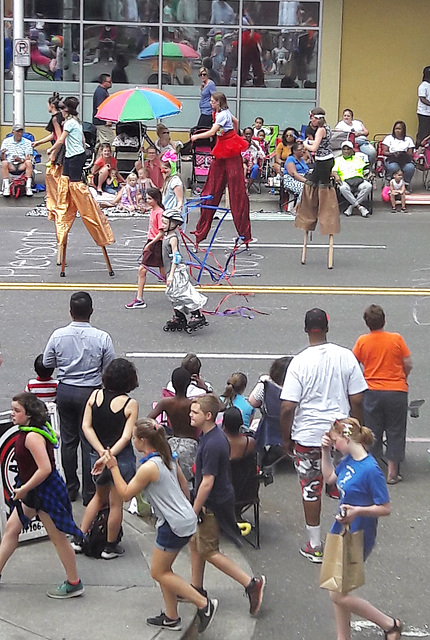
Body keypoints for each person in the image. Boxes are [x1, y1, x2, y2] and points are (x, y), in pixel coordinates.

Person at [98, 418, 218, 633]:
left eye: (134, 438)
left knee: (158, 572)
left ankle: (202, 603)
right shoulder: (168, 457)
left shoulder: (149, 467)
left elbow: (125, 494)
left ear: (143, 440)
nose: (133, 441)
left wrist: (113, 467)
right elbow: (183, 484)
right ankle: (172, 617)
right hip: (183, 518)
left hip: (171, 525)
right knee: (165, 570)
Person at [280, 308, 367, 562]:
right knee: (347, 486)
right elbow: (358, 399)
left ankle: (315, 545)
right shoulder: (345, 357)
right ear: (327, 327)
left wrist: (286, 438)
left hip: (307, 438)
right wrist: (357, 431)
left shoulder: (299, 362)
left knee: (311, 489)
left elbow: (287, 407)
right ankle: (347, 539)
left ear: (306, 330)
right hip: (341, 436)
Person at [321, 417, 402, 640]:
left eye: (335, 440)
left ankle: (389, 623)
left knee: (337, 594)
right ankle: (343, 636)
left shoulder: (370, 470)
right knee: (339, 588)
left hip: (359, 533)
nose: (333, 443)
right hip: (342, 530)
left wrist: (357, 511)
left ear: (347, 439)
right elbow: (329, 477)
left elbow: (385, 508)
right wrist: (325, 451)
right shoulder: (348, 461)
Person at [0, 393, 84, 599]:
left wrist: (24, 488)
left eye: (17, 411)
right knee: (12, 529)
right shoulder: (34, 431)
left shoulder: (32, 437)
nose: (13, 414)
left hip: (44, 492)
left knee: (58, 538)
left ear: (28, 415)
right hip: (34, 490)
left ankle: (74, 582)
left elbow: (44, 468)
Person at [189, 394, 266, 616]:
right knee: (196, 543)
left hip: (212, 504)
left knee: (209, 550)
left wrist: (194, 509)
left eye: (195, 412)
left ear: (208, 416)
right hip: (216, 499)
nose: (190, 415)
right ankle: (196, 587)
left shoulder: (212, 443)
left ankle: (251, 583)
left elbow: (207, 482)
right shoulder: (212, 436)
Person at [43, 291, 115, 505]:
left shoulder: (58, 335)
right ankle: (89, 492)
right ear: (91, 311)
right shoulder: (102, 337)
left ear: (70, 312)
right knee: (88, 442)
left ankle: (70, 487)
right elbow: (109, 368)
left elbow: (48, 362)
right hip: (90, 393)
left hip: (65, 391)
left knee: (68, 440)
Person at [73, 358, 138, 559]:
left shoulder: (95, 396)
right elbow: (126, 436)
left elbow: (86, 427)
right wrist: (109, 456)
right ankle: (110, 546)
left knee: (98, 497)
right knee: (116, 503)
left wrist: (101, 453)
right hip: (121, 459)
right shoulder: (130, 404)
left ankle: (79, 537)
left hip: (96, 456)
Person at [352, 304, 412, 485]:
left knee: (372, 431)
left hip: (372, 391)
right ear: (384, 320)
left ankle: (373, 470)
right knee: (395, 431)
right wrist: (402, 377)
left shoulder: (363, 341)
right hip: (396, 390)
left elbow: (353, 365)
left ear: (367, 323)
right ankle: (392, 473)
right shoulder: (396, 339)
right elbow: (407, 362)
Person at [190, 92, 251, 246]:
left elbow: (212, 132)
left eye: (212, 101)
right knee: (211, 189)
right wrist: (235, 134)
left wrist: (196, 137)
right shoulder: (221, 113)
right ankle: (201, 231)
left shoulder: (221, 115)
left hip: (228, 149)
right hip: (223, 147)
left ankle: (244, 233)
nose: (210, 103)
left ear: (218, 102)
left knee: (236, 192)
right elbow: (235, 121)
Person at [295, 107, 340, 243]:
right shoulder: (326, 128)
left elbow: (314, 148)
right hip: (324, 160)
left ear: (317, 118)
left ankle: (318, 212)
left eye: (312, 118)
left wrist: (304, 144)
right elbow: (317, 143)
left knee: (320, 187)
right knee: (312, 183)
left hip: (324, 161)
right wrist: (310, 142)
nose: (311, 121)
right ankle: (307, 211)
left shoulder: (321, 130)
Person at [148, 366, 198, 483]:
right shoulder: (193, 404)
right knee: (188, 481)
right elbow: (220, 406)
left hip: (172, 443)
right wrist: (204, 387)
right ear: (189, 384)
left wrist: (158, 429)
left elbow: (149, 419)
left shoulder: (166, 403)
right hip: (191, 445)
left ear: (173, 385)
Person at [162, 209, 208, 332]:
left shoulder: (173, 238)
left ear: (173, 224)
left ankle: (197, 315)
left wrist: (171, 274)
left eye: (165, 223)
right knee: (173, 294)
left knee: (181, 293)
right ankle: (179, 316)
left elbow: (176, 257)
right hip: (170, 270)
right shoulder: (166, 235)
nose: (162, 225)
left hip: (177, 271)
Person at [125, 187, 165, 309]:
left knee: (143, 270)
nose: (147, 201)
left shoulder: (159, 212)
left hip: (156, 243)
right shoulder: (153, 210)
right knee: (162, 272)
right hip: (152, 242)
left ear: (156, 199)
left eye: (149, 198)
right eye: (146, 198)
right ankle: (175, 291)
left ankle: (139, 299)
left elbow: (161, 232)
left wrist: (150, 244)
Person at [249, 356, 292, 467]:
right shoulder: (297, 389)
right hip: (293, 426)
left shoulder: (266, 385)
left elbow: (253, 401)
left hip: (271, 426)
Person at [32, 92, 65, 216]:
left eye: (47, 104)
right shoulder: (61, 115)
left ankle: (57, 199)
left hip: (60, 148)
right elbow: (55, 135)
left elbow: (59, 137)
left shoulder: (56, 118)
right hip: (61, 147)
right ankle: (58, 197)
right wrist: (39, 142)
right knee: (58, 174)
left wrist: (53, 152)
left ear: (51, 105)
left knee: (54, 174)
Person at [48, 97, 85, 183]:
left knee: (74, 182)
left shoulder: (69, 123)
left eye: (62, 109)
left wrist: (51, 149)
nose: (61, 111)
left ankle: (79, 196)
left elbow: (61, 140)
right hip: (72, 155)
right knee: (65, 179)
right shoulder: (77, 121)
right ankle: (66, 196)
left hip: (75, 155)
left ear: (66, 110)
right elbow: (83, 139)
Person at [332, 141, 372, 217]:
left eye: (348, 149)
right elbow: (334, 171)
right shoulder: (338, 159)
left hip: (359, 179)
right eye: (344, 149)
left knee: (368, 186)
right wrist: (336, 176)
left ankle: (351, 207)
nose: (346, 151)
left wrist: (369, 174)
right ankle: (360, 208)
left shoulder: (357, 159)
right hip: (345, 180)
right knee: (343, 188)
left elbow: (365, 169)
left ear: (352, 150)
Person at [1, 124, 34, 197]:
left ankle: (28, 187)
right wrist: (2, 154)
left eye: (21, 132)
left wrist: (20, 160)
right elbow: (2, 158)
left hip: (22, 164)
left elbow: (28, 157)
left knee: (28, 162)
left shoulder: (27, 142)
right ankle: (6, 187)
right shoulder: (6, 142)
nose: (20, 134)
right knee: (4, 163)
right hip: (10, 164)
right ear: (13, 132)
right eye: (18, 132)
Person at [381, 121, 415, 189]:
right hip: (392, 158)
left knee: (410, 167)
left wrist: (402, 153)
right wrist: (393, 153)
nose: (397, 131)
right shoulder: (389, 138)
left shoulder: (408, 139)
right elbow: (384, 152)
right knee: (394, 167)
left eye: (399, 129)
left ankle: (405, 185)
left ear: (403, 130)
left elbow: (410, 154)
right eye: (396, 129)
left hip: (405, 159)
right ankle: (390, 183)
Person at [283, 141, 310, 205]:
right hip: (291, 180)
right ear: (294, 151)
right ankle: (296, 208)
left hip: (302, 178)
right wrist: (306, 181)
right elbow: (293, 174)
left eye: (303, 149)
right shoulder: (290, 159)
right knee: (305, 188)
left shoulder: (302, 160)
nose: (302, 151)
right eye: (300, 150)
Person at [92, 74, 114, 149]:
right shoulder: (101, 92)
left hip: (98, 121)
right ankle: (105, 158)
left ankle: (97, 158)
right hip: (101, 122)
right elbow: (101, 107)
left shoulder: (101, 91)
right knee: (108, 140)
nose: (111, 83)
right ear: (103, 82)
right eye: (109, 81)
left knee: (100, 142)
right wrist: (107, 120)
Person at [241, 127, 266, 193]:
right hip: (240, 164)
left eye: (250, 134)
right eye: (246, 134)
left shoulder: (256, 143)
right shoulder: (240, 142)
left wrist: (256, 147)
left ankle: (247, 187)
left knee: (256, 168)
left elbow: (263, 155)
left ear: (252, 134)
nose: (248, 135)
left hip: (252, 163)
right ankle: (241, 186)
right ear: (243, 134)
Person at [160, 150, 184, 217]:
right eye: (162, 168)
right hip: (167, 212)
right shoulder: (168, 180)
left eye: (166, 168)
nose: (163, 170)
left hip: (173, 214)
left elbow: (180, 200)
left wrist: (177, 211)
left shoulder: (175, 181)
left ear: (172, 168)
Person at [416, 66, 430, 147]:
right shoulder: (423, 85)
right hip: (424, 113)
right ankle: (418, 148)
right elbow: (422, 99)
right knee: (423, 132)